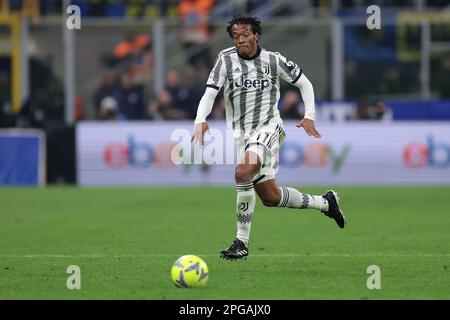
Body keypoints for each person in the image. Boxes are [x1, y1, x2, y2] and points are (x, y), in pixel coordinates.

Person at [191, 14, 346, 260]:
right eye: (235, 36)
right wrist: (200, 120)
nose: (240, 40)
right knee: (271, 197)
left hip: (269, 127)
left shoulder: (274, 61)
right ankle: (325, 203)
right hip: (242, 134)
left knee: (242, 173)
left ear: (256, 35)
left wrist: (310, 116)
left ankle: (240, 242)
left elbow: (305, 84)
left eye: (244, 35)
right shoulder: (225, 59)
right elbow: (210, 93)